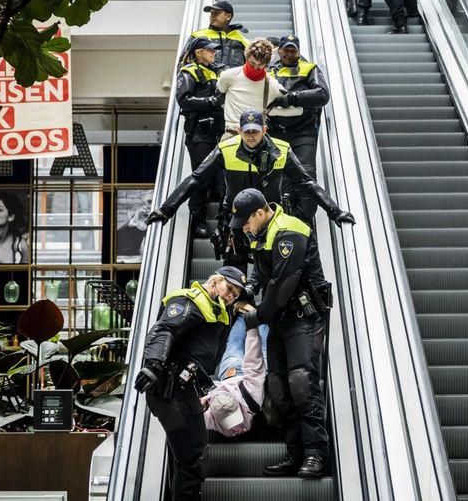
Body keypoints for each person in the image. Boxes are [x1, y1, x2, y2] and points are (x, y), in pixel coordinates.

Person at [145, 109, 354, 270]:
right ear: (239, 131)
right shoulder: (225, 150)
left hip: (269, 221)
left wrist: (335, 212)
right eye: (247, 132)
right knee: (233, 276)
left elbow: (306, 182)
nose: (251, 136)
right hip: (236, 222)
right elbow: (196, 180)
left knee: (272, 274)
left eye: (255, 131)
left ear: (264, 130)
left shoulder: (282, 150)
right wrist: (166, 210)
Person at [231, 188, 335, 478]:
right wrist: (250, 289)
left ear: (261, 212)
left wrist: (258, 315)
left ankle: (316, 453)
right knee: (277, 386)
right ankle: (295, 453)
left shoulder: (290, 230)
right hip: (280, 318)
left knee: (301, 381)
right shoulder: (261, 233)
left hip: (304, 316)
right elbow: (260, 272)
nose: (245, 229)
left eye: (247, 223)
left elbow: (283, 283)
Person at [133, 266, 246, 501]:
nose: (230, 296)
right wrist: (153, 364)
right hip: (171, 391)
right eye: (229, 289)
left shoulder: (216, 310)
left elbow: (199, 352)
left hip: (183, 390)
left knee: (190, 457)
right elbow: (165, 329)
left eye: (235, 294)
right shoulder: (190, 301)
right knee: (194, 458)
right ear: (216, 280)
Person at [267, 35, 330, 220]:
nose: (288, 53)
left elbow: (322, 94)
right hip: (276, 132)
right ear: (278, 51)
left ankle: (305, 220)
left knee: (306, 174)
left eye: (292, 50)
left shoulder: (309, 68)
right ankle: (284, 219)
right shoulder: (270, 70)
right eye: (285, 49)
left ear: (298, 51)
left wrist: (290, 98)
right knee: (280, 176)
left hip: (303, 132)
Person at [176, 36, 226, 238]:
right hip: (199, 133)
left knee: (223, 177)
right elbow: (184, 100)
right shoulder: (188, 72)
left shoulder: (216, 71)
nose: (214, 53)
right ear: (198, 52)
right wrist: (212, 102)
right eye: (210, 50)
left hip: (218, 132)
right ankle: (197, 221)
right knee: (201, 177)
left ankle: (224, 223)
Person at [202, 301, 266, 437]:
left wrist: (252, 330)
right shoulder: (212, 413)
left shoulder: (252, 395)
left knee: (262, 344)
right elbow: (190, 418)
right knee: (235, 343)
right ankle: (250, 315)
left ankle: (255, 315)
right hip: (231, 372)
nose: (236, 429)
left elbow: (254, 361)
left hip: (234, 372)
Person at [216, 38, 286, 139]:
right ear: (247, 57)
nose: (255, 68)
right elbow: (220, 91)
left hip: (257, 138)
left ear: (266, 64)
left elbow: (296, 109)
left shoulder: (272, 85)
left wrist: (272, 111)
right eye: (252, 63)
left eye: (260, 65)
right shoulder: (229, 76)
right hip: (232, 134)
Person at [185, 0, 250, 69]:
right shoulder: (197, 36)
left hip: (234, 79)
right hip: (206, 79)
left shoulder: (243, 41)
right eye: (211, 13)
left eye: (217, 12)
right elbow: (184, 64)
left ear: (228, 16)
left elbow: (252, 67)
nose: (212, 16)